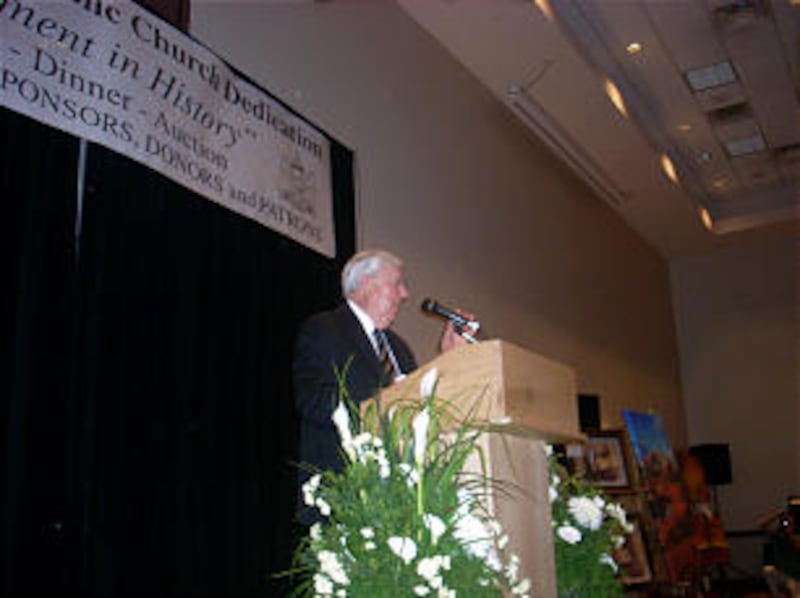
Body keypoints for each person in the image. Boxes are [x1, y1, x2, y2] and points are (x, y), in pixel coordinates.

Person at [292, 249, 466, 523]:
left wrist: (450, 359)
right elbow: (311, 400)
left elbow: (419, 406)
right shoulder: (325, 329)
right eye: (397, 283)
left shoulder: (399, 349)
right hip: (344, 494)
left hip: (397, 499)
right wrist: (380, 404)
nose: (405, 294)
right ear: (366, 284)